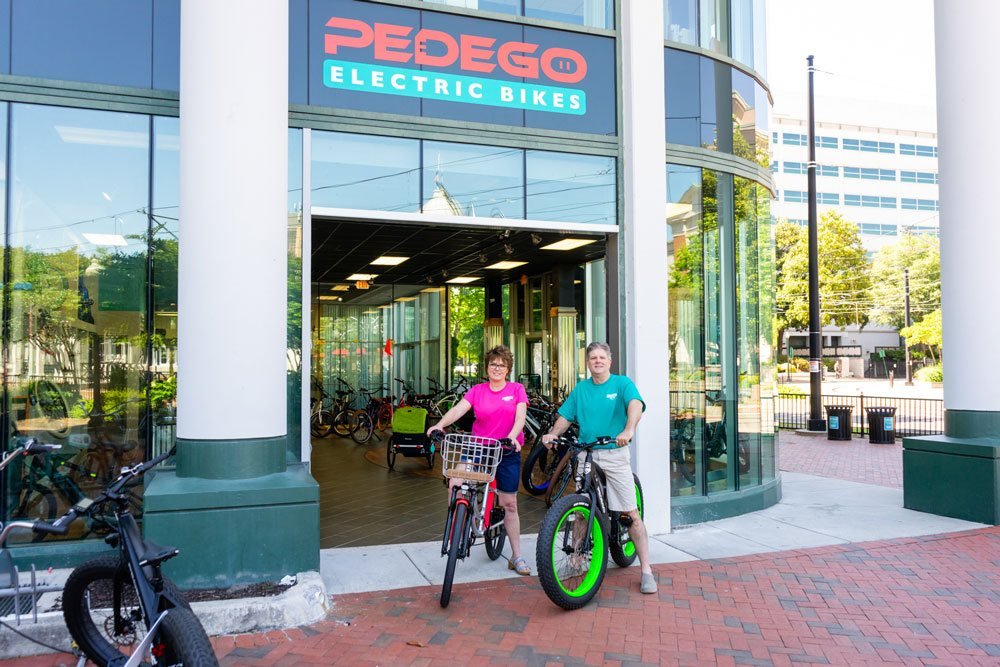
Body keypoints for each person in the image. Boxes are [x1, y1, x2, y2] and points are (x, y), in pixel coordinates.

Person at [541, 342, 656, 594]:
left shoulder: (621, 384)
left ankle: (646, 569)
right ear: (588, 362)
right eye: (593, 357)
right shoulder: (581, 389)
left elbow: (635, 404)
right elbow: (565, 417)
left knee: (630, 513)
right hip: (586, 454)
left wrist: (629, 429)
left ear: (609, 361)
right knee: (582, 509)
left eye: (602, 357)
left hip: (614, 454)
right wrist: (552, 434)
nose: (597, 361)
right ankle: (576, 560)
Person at [427, 345, 531, 576]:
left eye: (501, 365)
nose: (497, 368)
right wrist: (440, 425)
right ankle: (460, 520)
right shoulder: (477, 390)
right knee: (455, 481)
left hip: (505, 449)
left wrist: (512, 437)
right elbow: (458, 410)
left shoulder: (516, 390)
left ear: (508, 369)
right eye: (493, 364)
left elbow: (520, 418)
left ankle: (516, 556)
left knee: (509, 505)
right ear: (486, 367)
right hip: (479, 448)